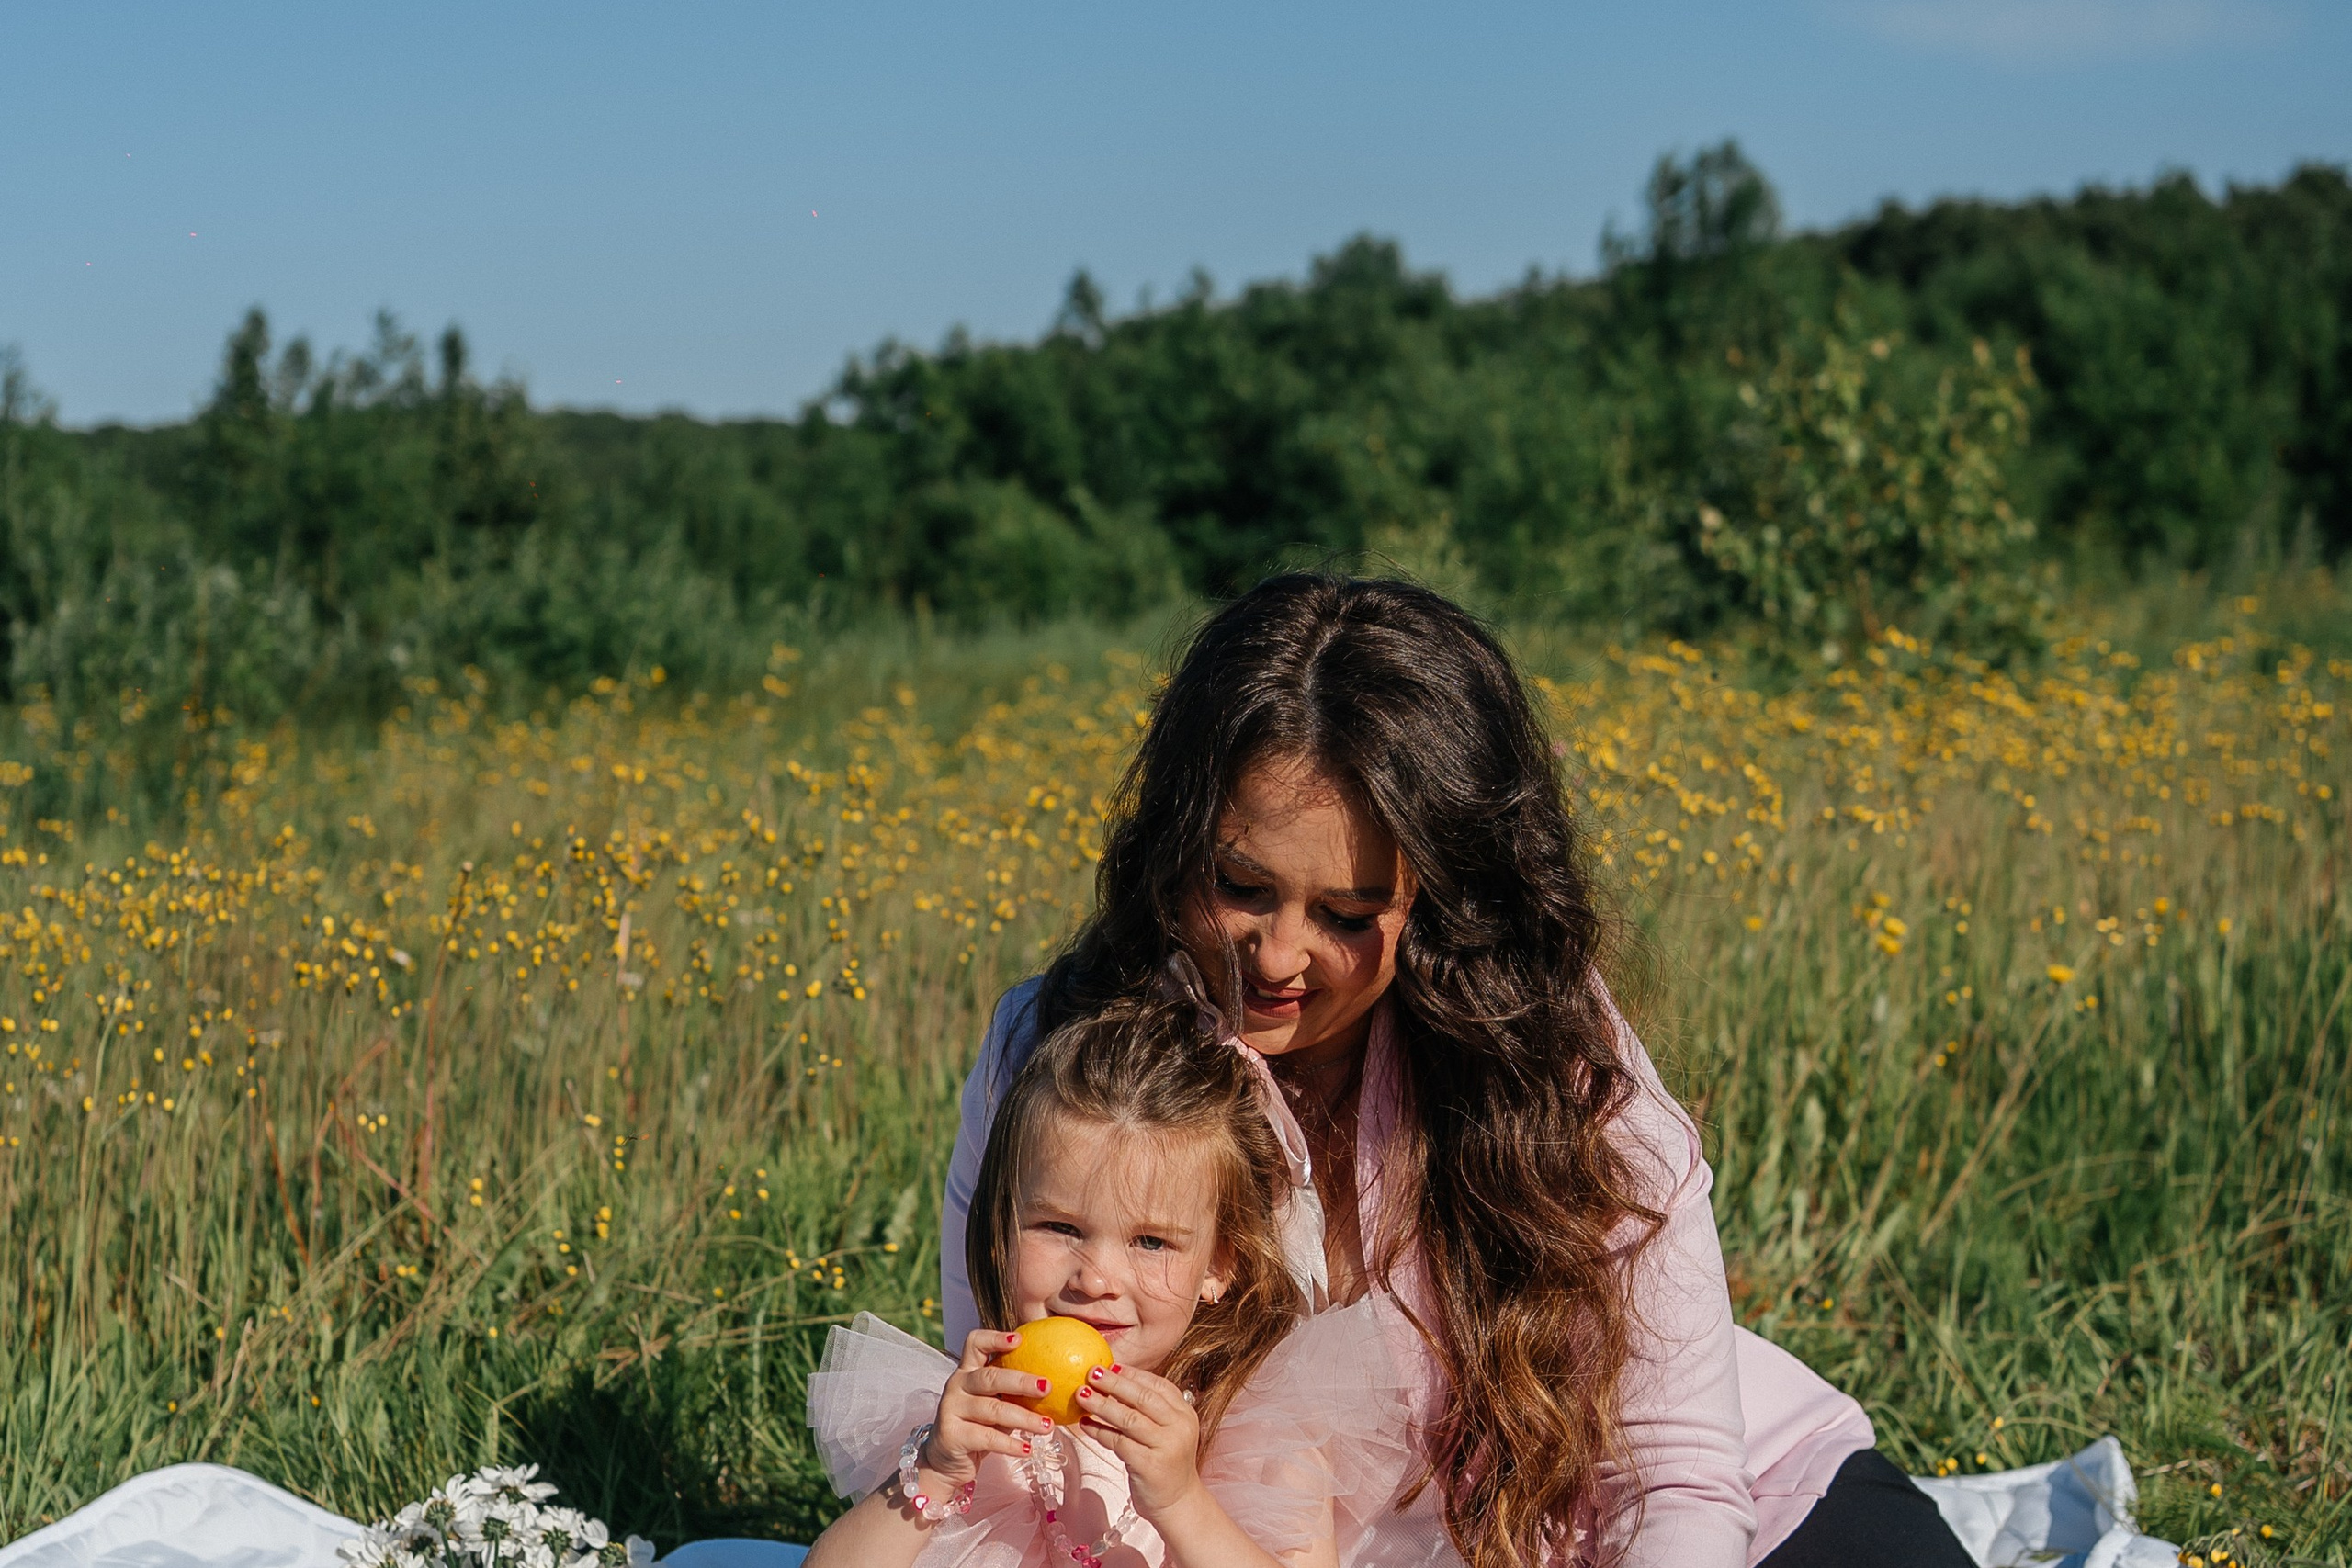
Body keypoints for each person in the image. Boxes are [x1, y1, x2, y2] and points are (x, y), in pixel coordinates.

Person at [940, 575, 1978, 1568]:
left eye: (1348, 915)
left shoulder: (1551, 1061)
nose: (1277, 956)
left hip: (1699, 1521)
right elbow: (1015, 1413)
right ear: (1174, 844)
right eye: (1239, 885)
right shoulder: (1054, 1057)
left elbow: (1676, 1476)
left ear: (1438, 903)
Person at [807, 990, 1413, 1568]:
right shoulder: (983, 1419)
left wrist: (1182, 1502)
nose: (1096, 1279)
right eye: (1060, 1227)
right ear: (1002, 1229)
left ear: (1219, 1265)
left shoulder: (1265, 1433)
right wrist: (936, 1468)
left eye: (1151, 1241)